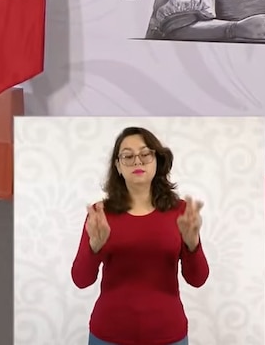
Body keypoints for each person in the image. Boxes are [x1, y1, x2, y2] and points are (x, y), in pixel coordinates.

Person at [71, 126, 209, 345]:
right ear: (117, 166)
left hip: (168, 333)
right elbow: (81, 280)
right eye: (128, 156)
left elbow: (198, 279)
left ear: (157, 160)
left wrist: (193, 245)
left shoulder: (180, 211)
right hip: (108, 334)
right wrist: (93, 248)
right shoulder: (100, 214)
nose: (137, 161)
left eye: (145, 154)